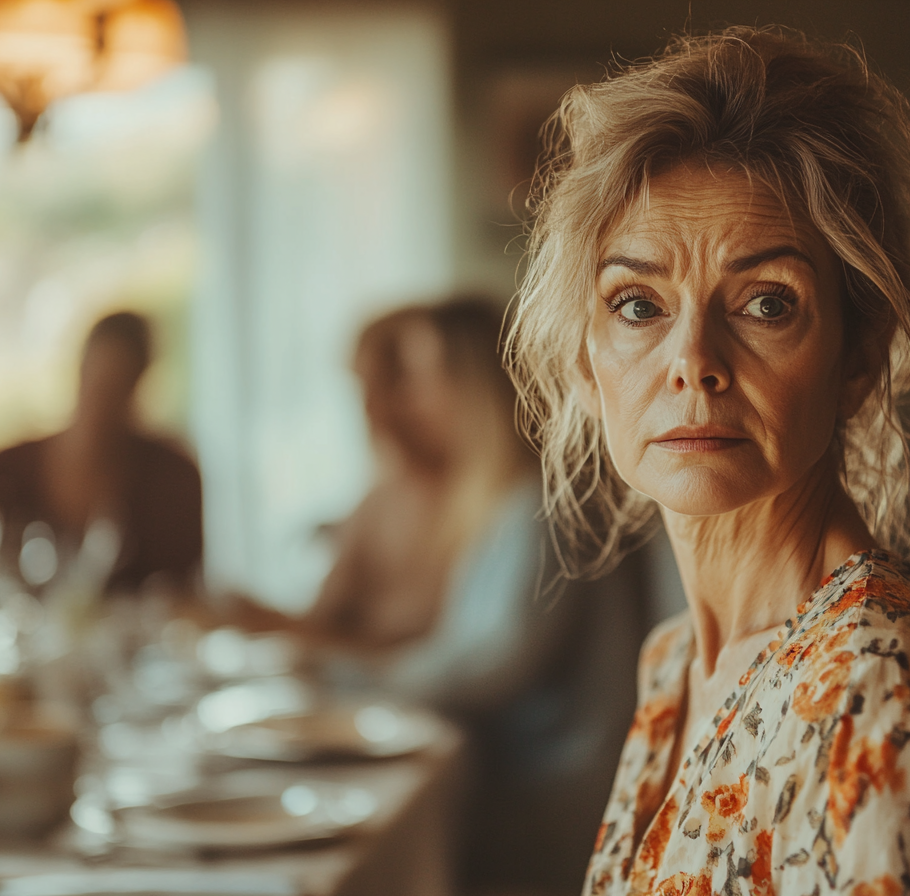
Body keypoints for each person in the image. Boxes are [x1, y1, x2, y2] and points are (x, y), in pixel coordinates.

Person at [504, 26, 910, 895]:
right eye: (637, 303)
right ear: (583, 358)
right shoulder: (675, 661)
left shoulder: (875, 688)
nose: (693, 360)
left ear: (858, 357)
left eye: (765, 303)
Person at [280, 297, 654, 893]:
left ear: (475, 385)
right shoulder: (506, 503)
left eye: (428, 380)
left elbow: (486, 668)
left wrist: (338, 675)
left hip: (548, 802)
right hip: (520, 782)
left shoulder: (539, 511)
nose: (413, 402)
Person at [0, 311, 203, 595]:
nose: (102, 401)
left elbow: (188, 592)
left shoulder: (173, 477)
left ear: (140, 384)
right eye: (98, 380)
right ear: (80, 371)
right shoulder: (10, 467)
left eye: (118, 385)